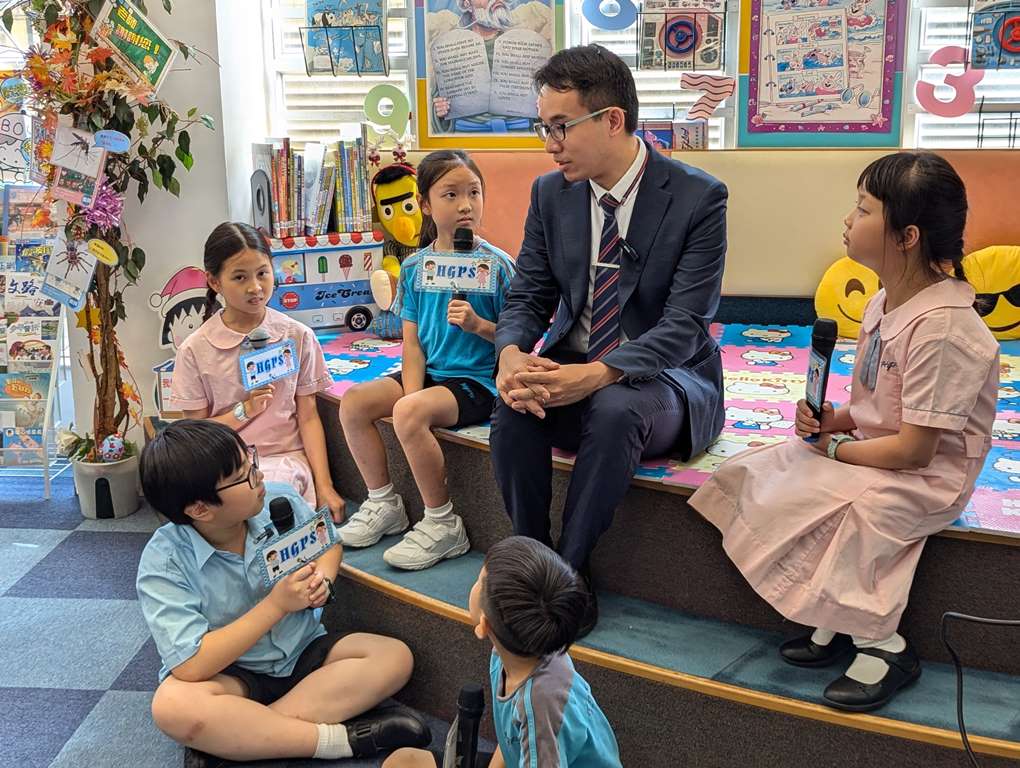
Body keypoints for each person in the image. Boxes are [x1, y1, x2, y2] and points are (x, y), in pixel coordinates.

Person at [689, 152, 999, 712]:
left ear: (907, 236)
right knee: (764, 468)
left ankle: (883, 643)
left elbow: (915, 450)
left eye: (863, 209)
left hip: (929, 474)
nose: (848, 220)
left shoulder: (945, 331)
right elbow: (879, 401)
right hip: (878, 448)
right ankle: (830, 611)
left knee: (859, 512)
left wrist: (836, 448)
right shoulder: (884, 301)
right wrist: (833, 420)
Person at [490, 44, 728, 632]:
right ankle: (532, 562)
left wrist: (598, 374)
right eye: (543, 128)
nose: (550, 144)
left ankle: (570, 576)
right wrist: (512, 354)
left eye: (561, 127)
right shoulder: (551, 194)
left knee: (616, 407)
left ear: (613, 119)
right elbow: (528, 295)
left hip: (666, 381)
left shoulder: (699, 197)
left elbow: (685, 325)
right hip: (576, 366)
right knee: (514, 406)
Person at [136, 420, 430, 765]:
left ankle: (242, 739)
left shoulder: (280, 500)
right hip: (234, 673)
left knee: (394, 657)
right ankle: (338, 741)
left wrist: (323, 580)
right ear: (200, 509)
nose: (259, 476)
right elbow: (191, 664)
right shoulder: (164, 561)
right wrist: (276, 606)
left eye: (252, 463)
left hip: (303, 650)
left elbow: (328, 546)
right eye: (244, 477)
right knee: (171, 705)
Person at [338, 150, 515, 570]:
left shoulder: (499, 265)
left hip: (477, 380)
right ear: (425, 204)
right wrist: (412, 395)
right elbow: (412, 343)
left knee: (410, 412)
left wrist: (479, 325)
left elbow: (519, 339)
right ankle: (384, 503)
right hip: (431, 371)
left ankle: (443, 523)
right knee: (354, 403)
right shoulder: (417, 267)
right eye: (451, 194)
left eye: (474, 192)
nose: (465, 205)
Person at [382, 536, 622, 768]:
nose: (474, 584)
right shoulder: (517, 648)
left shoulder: (539, 708)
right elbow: (512, 741)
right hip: (526, 756)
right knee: (402, 762)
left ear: (484, 625)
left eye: (479, 580)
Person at [169, 222, 345, 522]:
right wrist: (244, 411)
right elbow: (195, 435)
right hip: (224, 467)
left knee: (270, 503)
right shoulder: (194, 350)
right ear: (214, 282)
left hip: (284, 461)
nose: (255, 287)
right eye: (240, 277)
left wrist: (325, 486)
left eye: (262, 273)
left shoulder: (297, 336)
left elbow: (309, 416)